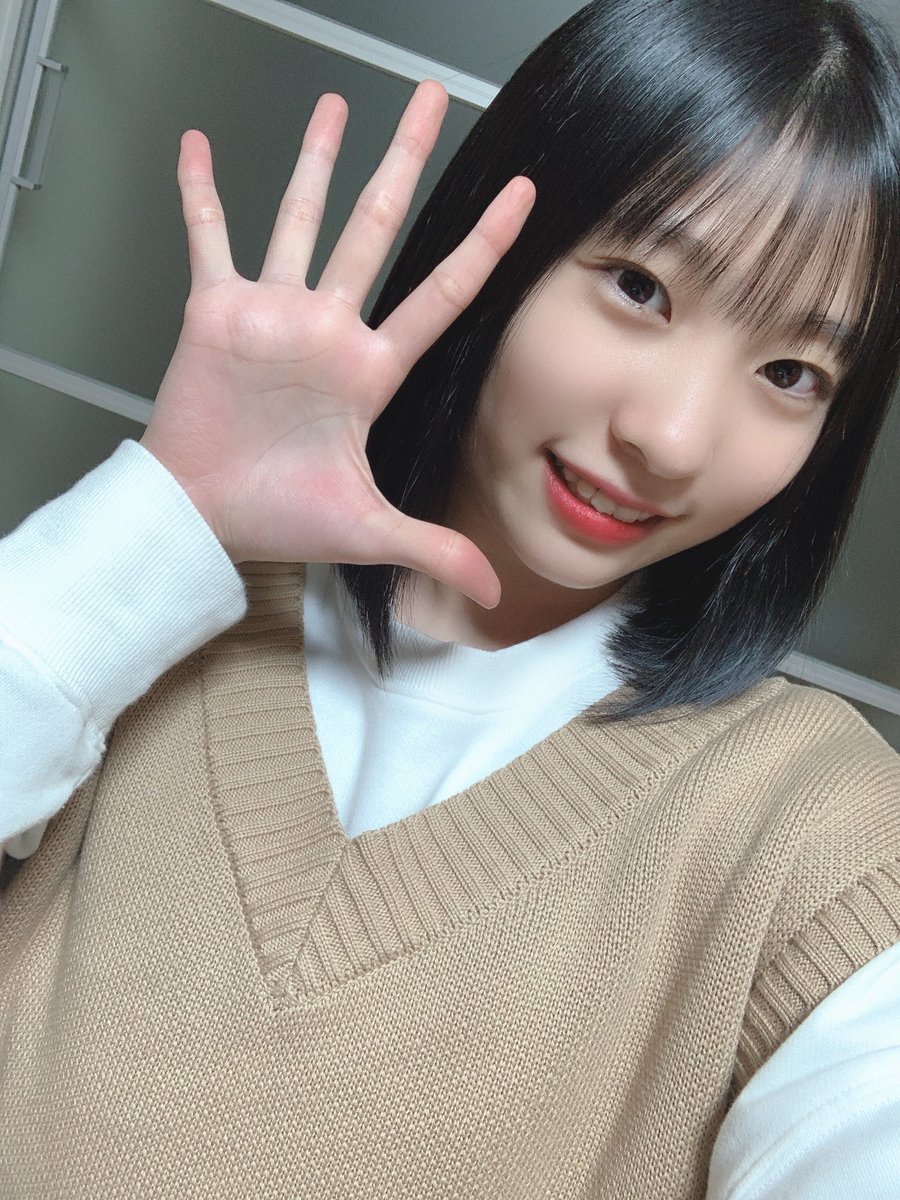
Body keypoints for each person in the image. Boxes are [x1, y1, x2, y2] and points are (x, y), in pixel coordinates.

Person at [1, 0, 899, 1195]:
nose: (674, 438)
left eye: (791, 372)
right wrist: (164, 524)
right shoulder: (150, 604)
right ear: (502, 240)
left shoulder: (817, 825)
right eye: (640, 287)